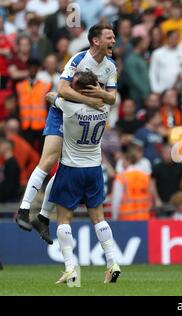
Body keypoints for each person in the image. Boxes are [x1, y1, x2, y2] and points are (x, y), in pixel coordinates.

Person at [15, 24, 117, 243]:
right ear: (96, 41)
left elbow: (112, 98)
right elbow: (61, 90)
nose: (114, 41)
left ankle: (42, 216)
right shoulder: (78, 60)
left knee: (66, 168)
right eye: (110, 37)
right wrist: (91, 99)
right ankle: (23, 210)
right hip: (61, 112)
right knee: (49, 158)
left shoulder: (111, 67)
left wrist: (101, 94)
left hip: (82, 116)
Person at [46, 70, 120, 285]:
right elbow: (108, 98)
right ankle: (113, 263)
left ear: (78, 89)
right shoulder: (104, 108)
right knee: (99, 218)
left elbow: (50, 96)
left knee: (63, 220)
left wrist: (71, 93)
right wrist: (98, 94)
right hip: (95, 169)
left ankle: (71, 269)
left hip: (71, 168)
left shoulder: (70, 107)